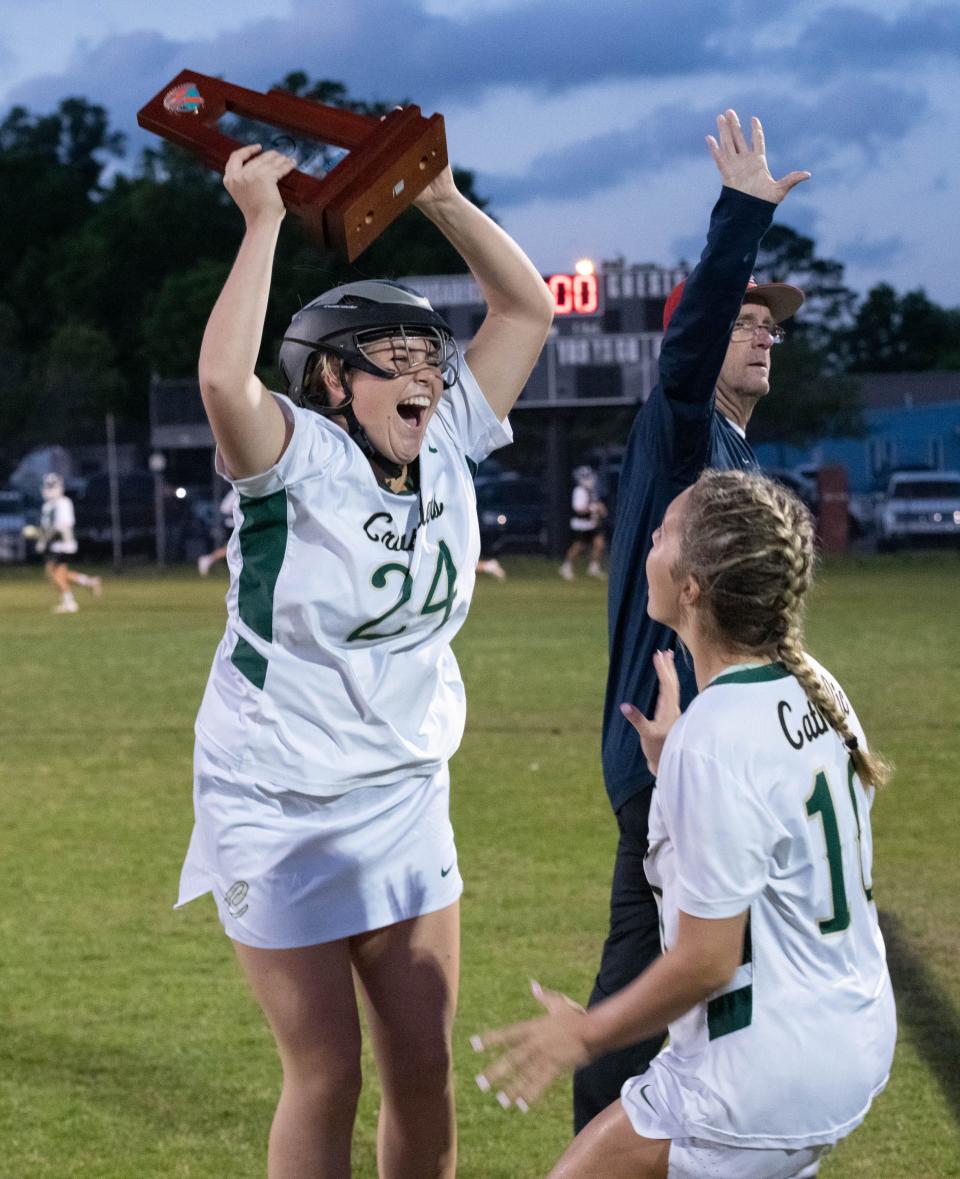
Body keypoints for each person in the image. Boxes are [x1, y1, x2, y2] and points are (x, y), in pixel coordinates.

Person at [175, 138, 553, 1179]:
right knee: (327, 1073)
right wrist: (259, 223)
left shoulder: (447, 440)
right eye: (398, 355)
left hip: (402, 788)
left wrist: (441, 199)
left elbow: (526, 312)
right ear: (333, 381)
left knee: (423, 1064)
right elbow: (220, 375)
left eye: (432, 355)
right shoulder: (293, 457)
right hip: (279, 795)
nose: (428, 372)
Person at [474, 468, 896, 1179]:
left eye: (665, 531)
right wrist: (675, 764)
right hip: (848, 1039)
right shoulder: (815, 686)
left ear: (693, 584)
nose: (648, 542)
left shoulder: (716, 735)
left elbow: (707, 958)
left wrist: (586, 1033)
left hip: (759, 1072)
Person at [574, 109, 810, 1131]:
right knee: (671, 1001)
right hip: (668, 755)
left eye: (773, 326)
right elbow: (686, 353)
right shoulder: (682, 436)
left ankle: (622, 1139)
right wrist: (741, 220)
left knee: (682, 993)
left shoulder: (737, 456)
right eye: (747, 321)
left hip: (703, 757)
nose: (765, 333)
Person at [28, 473, 101, 613]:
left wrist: (44, 539)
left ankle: (70, 602)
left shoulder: (64, 503)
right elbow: (47, 527)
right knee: (59, 574)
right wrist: (37, 535)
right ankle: (90, 582)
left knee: (55, 575)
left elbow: (62, 526)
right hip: (53, 544)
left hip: (63, 544)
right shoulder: (47, 506)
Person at [559, 465, 607, 580]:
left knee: (599, 544)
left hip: (592, 524)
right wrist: (594, 508)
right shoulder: (579, 491)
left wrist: (600, 509)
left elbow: (597, 505)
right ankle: (566, 566)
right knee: (578, 547)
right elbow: (579, 509)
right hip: (581, 525)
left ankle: (593, 568)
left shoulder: (592, 490)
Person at [197, 486, 238, 575]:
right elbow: (224, 509)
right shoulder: (236, 491)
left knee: (234, 549)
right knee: (233, 548)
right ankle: (207, 559)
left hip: (238, 524)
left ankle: (208, 559)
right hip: (232, 524)